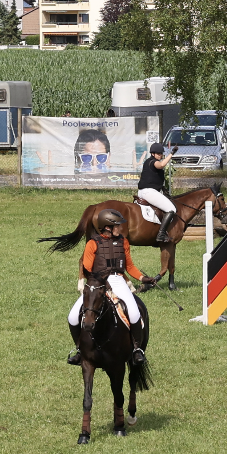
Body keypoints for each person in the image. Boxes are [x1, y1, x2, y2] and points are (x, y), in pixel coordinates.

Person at [67, 209, 150, 366]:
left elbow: (129, 266)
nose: (120, 228)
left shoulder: (123, 242)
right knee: (72, 316)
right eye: (117, 225)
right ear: (107, 227)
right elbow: (87, 268)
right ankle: (79, 350)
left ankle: (137, 350)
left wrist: (143, 278)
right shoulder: (93, 243)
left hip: (118, 280)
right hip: (97, 282)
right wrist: (98, 280)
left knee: (133, 312)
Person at [135, 140, 180, 242]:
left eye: (161, 153)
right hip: (148, 192)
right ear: (152, 154)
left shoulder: (150, 162)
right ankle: (161, 234)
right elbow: (161, 165)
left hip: (145, 191)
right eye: (158, 153)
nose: (160, 155)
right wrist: (171, 153)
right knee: (171, 209)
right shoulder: (152, 161)